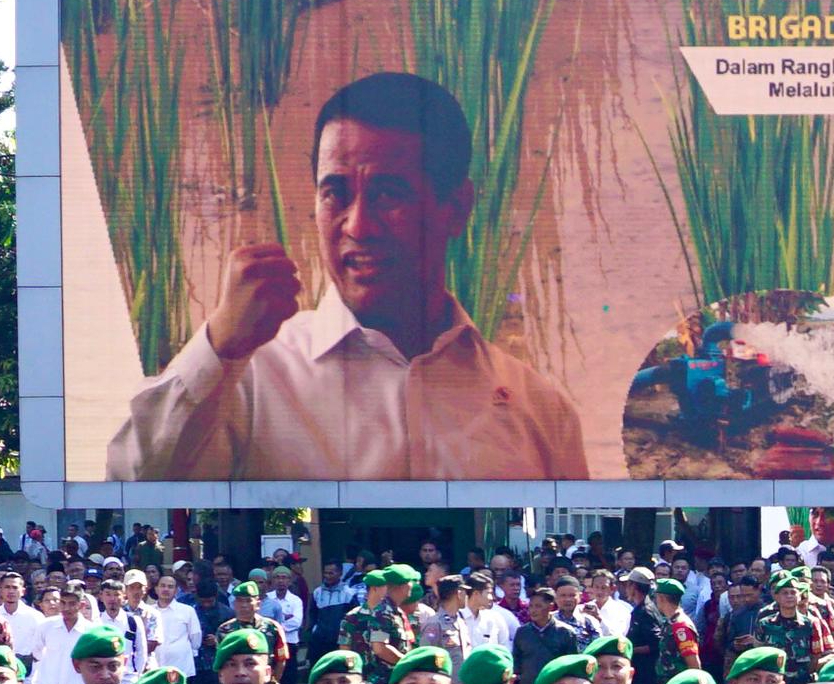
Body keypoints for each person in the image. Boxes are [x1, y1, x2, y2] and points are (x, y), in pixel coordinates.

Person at [106, 72, 594, 481]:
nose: (358, 226)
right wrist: (221, 347)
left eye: (389, 193)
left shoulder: (541, 412)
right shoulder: (245, 378)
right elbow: (130, 483)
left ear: (456, 208)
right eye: (334, 193)